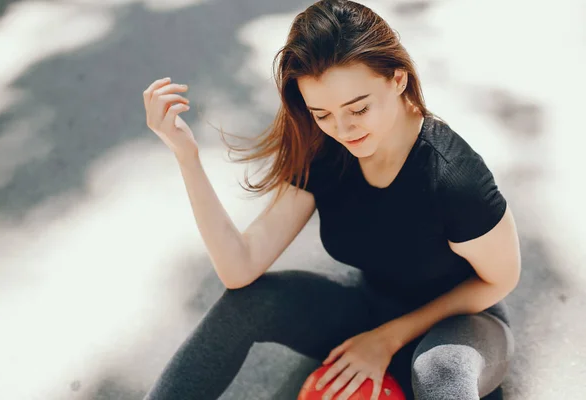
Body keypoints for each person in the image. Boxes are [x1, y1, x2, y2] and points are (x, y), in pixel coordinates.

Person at [141, 1, 520, 399]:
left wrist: (388, 339)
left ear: (398, 78)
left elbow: (500, 279)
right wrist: (187, 157)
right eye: (322, 113)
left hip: (461, 328)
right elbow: (240, 267)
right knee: (248, 303)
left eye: (359, 108)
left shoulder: (453, 177)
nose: (343, 129)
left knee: (437, 371)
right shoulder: (326, 150)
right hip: (367, 310)